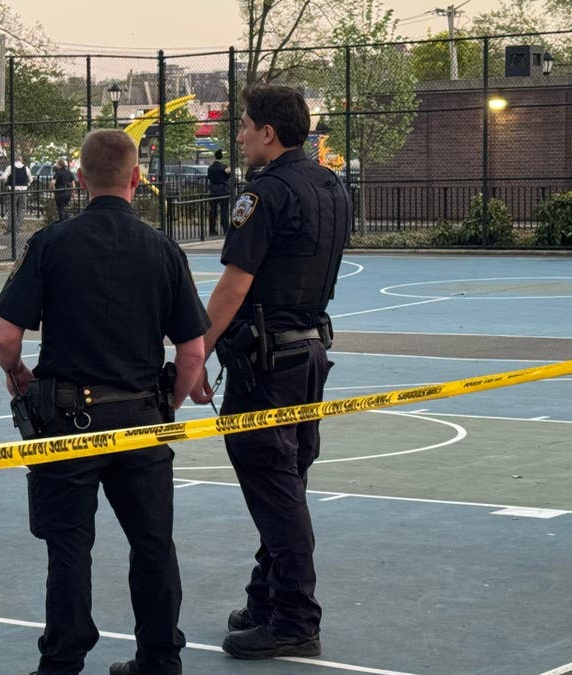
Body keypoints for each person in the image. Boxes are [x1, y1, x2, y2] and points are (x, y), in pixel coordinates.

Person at [0, 129, 209, 675]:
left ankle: (64, 660)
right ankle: (159, 657)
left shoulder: (50, 243)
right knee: (153, 544)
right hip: (141, 418)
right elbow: (192, 351)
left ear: (81, 179)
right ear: (137, 178)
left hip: (67, 420)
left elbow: (4, 339)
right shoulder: (164, 250)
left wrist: (18, 374)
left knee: (69, 546)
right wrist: (168, 407)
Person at [190, 83, 350, 661]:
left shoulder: (265, 194)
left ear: (269, 133)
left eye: (245, 125)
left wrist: (195, 355)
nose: (239, 135)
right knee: (286, 482)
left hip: (266, 362)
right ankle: (267, 599)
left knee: (274, 488)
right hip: (309, 354)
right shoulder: (332, 186)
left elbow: (233, 287)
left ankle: (294, 619)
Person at [206, 149, 231, 235]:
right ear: (221, 157)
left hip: (213, 190)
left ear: (215, 157)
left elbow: (209, 177)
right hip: (222, 189)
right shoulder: (224, 167)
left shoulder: (210, 168)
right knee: (224, 210)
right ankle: (225, 229)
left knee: (212, 211)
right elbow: (228, 176)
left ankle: (212, 230)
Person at [3, 154, 31, 229]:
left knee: (12, 209)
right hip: (23, 191)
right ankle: (19, 226)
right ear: (21, 160)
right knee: (21, 209)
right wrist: (27, 184)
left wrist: (7, 183)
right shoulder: (26, 168)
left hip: (13, 191)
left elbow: (3, 177)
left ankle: (11, 227)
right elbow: (31, 179)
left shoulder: (10, 167)